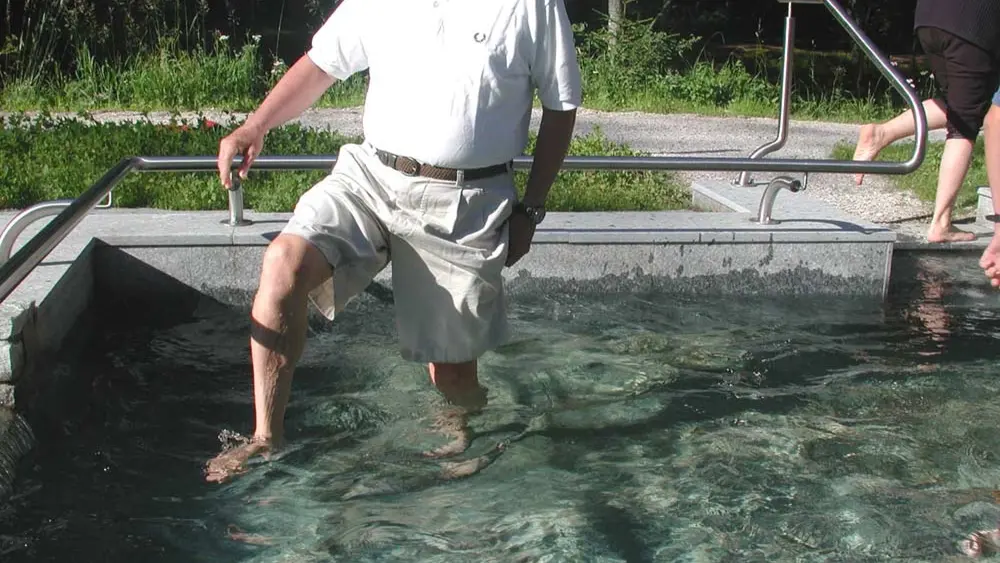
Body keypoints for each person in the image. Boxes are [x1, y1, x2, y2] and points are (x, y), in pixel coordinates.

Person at [204, 0, 582, 483]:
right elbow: (321, 66)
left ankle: (462, 447)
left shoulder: (532, 4)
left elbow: (560, 105)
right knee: (283, 263)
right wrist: (255, 125)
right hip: (370, 174)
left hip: (465, 198)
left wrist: (532, 206)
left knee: (450, 372)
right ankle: (264, 439)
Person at [854, 0, 1000, 244]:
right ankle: (941, 224)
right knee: (965, 122)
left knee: (961, 105)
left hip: (930, 16)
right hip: (970, 25)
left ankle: (882, 133)